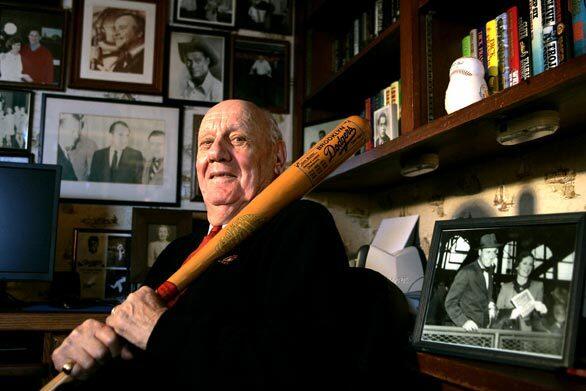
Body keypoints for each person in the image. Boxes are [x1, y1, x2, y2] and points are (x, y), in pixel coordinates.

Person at [52, 100, 403, 389]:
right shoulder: (178, 251)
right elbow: (135, 340)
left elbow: (295, 369)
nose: (216, 153)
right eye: (206, 143)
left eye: (237, 139)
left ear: (277, 157)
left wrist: (160, 330)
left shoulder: (301, 226)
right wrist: (91, 351)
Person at [445, 233, 500, 331]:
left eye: (494, 252)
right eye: (488, 252)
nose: (492, 256)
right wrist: (464, 321)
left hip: (483, 330)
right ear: (480, 252)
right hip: (466, 331)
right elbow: (450, 303)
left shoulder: (490, 272)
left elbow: (485, 295)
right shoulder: (466, 272)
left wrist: (491, 303)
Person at [494, 252, 547, 331]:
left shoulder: (538, 286)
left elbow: (539, 318)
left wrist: (542, 310)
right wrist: (512, 313)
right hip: (508, 333)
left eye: (530, 264)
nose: (527, 267)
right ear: (517, 266)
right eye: (524, 263)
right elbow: (497, 313)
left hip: (527, 335)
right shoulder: (505, 288)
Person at [57, 114, 82, 181]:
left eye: (77, 132)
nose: (77, 136)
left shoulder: (64, 153)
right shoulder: (54, 155)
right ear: (61, 130)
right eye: (73, 131)